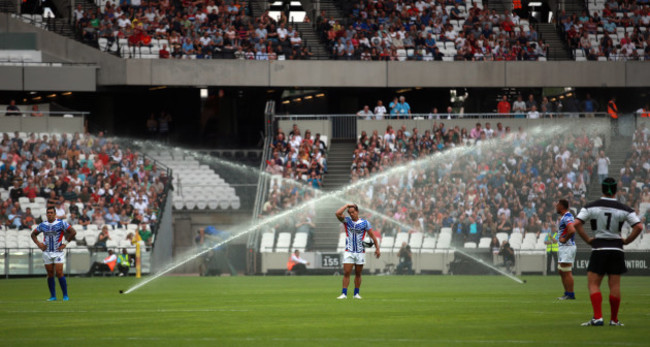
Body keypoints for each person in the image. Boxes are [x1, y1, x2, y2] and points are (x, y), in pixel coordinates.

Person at [574, 177, 643, 326]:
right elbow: (639, 227)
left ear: (602, 189)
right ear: (616, 190)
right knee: (615, 286)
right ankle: (614, 320)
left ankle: (598, 317)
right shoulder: (624, 208)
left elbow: (577, 223)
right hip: (617, 249)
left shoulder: (591, 206)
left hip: (599, 247)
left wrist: (587, 239)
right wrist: (627, 240)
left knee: (593, 284)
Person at [30, 206, 77, 301]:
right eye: (48, 213)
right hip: (47, 252)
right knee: (50, 274)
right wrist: (39, 244)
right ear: (46, 214)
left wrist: (65, 244)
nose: (50, 214)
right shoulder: (43, 225)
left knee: (59, 273)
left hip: (58, 252)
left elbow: (73, 232)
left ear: (55, 214)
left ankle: (65, 295)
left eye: (51, 212)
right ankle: (53, 296)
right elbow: (33, 234)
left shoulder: (61, 223)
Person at [335, 203, 380, 299]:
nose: (351, 214)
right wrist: (346, 205)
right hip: (349, 251)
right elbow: (337, 213)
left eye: (353, 212)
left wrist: (377, 248)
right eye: (350, 212)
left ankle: (356, 294)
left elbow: (372, 236)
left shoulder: (365, 223)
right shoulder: (347, 221)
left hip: (360, 252)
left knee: (358, 273)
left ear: (357, 212)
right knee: (347, 272)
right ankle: (344, 293)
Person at [555, 199, 577, 300]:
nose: (556, 206)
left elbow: (572, 230)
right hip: (563, 247)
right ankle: (567, 293)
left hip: (567, 247)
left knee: (567, 271)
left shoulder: (568, 216)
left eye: (557, 205)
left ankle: (570, 294)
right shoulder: (564, 217)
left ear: (562, 206)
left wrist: (564, 239)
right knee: (561, 270)